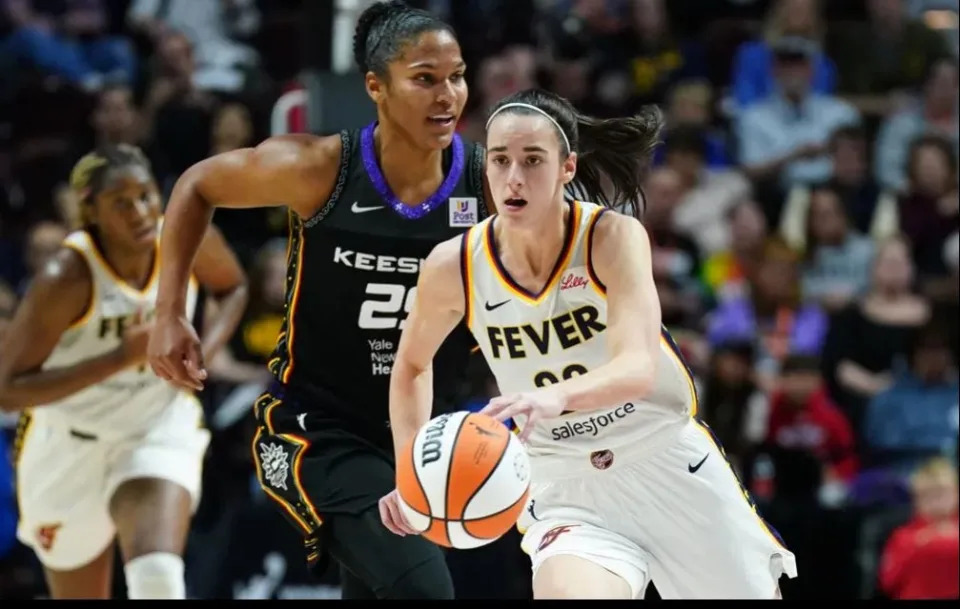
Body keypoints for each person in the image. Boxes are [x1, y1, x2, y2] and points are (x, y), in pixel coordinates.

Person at [382, 88, 799, 599]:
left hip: (664, 459)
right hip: (563, 483)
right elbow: (410, 367)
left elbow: (638, 365)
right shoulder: (454, 265)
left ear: (566, 167)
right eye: (499, 160)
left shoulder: (611, 237)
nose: (513, 177)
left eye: (532, 160)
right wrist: (413, 472)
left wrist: (554, 397)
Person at [146, 0, 488, 600]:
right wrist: (169, 312)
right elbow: (197, 185)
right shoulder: (322, 170)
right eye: (425, 79)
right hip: (315, 432)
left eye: (456, 76)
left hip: (423, 438)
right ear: (376, 88)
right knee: (426, 593)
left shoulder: (485, 185)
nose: (447, 96)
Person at [0, 144, 248, 599]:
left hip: (153, 429)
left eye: (146, 195)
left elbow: (233, 287)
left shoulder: (183, 234)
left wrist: (201, 353)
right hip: (69, 443)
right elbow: (7, 390)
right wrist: (119, 357)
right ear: (90, 211)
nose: (139, 212)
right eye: (121, 202)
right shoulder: (66, 276)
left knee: (158, 579)